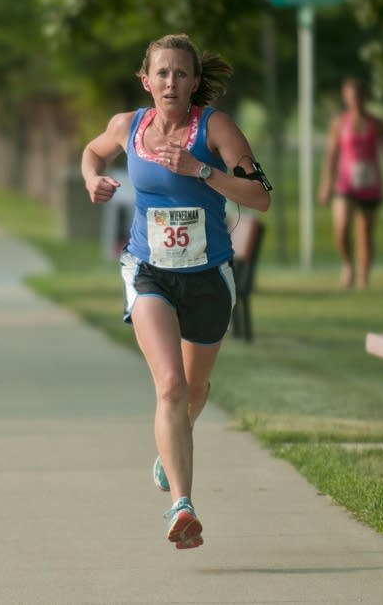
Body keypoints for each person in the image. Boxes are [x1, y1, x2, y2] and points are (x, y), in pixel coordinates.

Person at [81, 34, 271, 550]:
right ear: (147, 80)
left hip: (208, 277)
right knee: (169, 386)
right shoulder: (129, 125)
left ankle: (172, 447)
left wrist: (200, 170)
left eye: (180, 74)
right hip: (149, 272)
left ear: (193, 82)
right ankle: (182, 506)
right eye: (161, 73)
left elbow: (261, 196)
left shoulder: (216, 128)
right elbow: (92, 151)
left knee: (193, 391)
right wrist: (91, 178)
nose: (171, 82)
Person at [317, 77, 383, 289]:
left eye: (358, 96)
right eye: (350, 96)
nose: (354, 100)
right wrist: (326, 184)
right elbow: (331, 155)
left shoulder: (378, 124)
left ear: (364, 97)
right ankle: (348, 264)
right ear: (345, 98)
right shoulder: (339, 123)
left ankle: (364, 275)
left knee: (365, 233)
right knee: (342, 228)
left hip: (370, 184)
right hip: (345, 184)